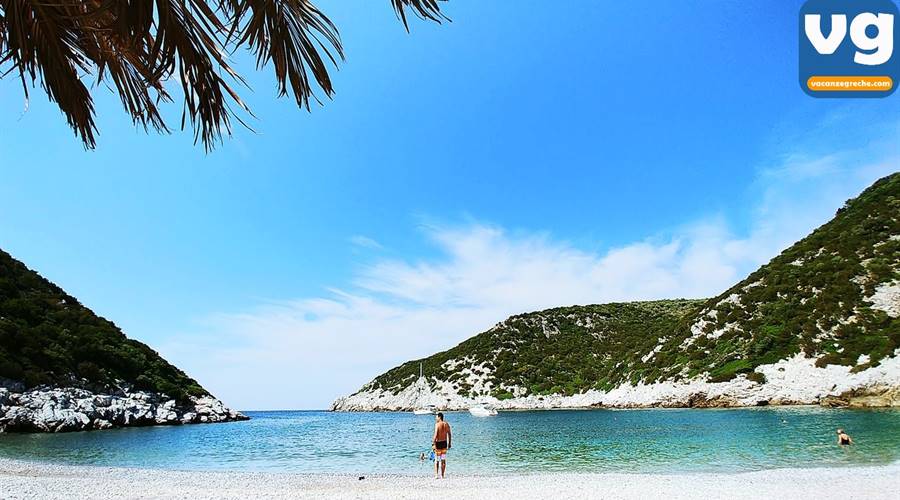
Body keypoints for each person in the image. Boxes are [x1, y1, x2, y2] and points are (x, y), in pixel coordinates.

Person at [432, 412, 452, 479]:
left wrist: (433, 444)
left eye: (436, 417)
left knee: (437, 460)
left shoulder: (437, 424)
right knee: (443, 460)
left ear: (439, 417)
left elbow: (435, 435)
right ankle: (443, 475)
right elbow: (449, 434)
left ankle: (436, 475)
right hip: (444, 443)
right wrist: (449, 443)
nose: (436, 418)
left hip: (438, 444)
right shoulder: (446, 424)